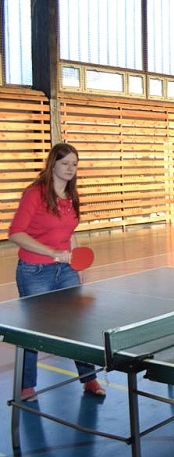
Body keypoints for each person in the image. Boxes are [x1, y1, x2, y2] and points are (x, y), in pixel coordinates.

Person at [8, 143, 106, 401]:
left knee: (76, 325)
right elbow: (15, 233)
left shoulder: (71, 195)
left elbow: (69, 231)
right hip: (35, 271)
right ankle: (26, 386)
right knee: (33, 330)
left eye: (74, 164)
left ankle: (89, 379)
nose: (71, 168)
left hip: (65, 270)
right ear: (53, 164)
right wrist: (51, 252)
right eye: (65, 163)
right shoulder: (35, 194)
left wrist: (75, 262)